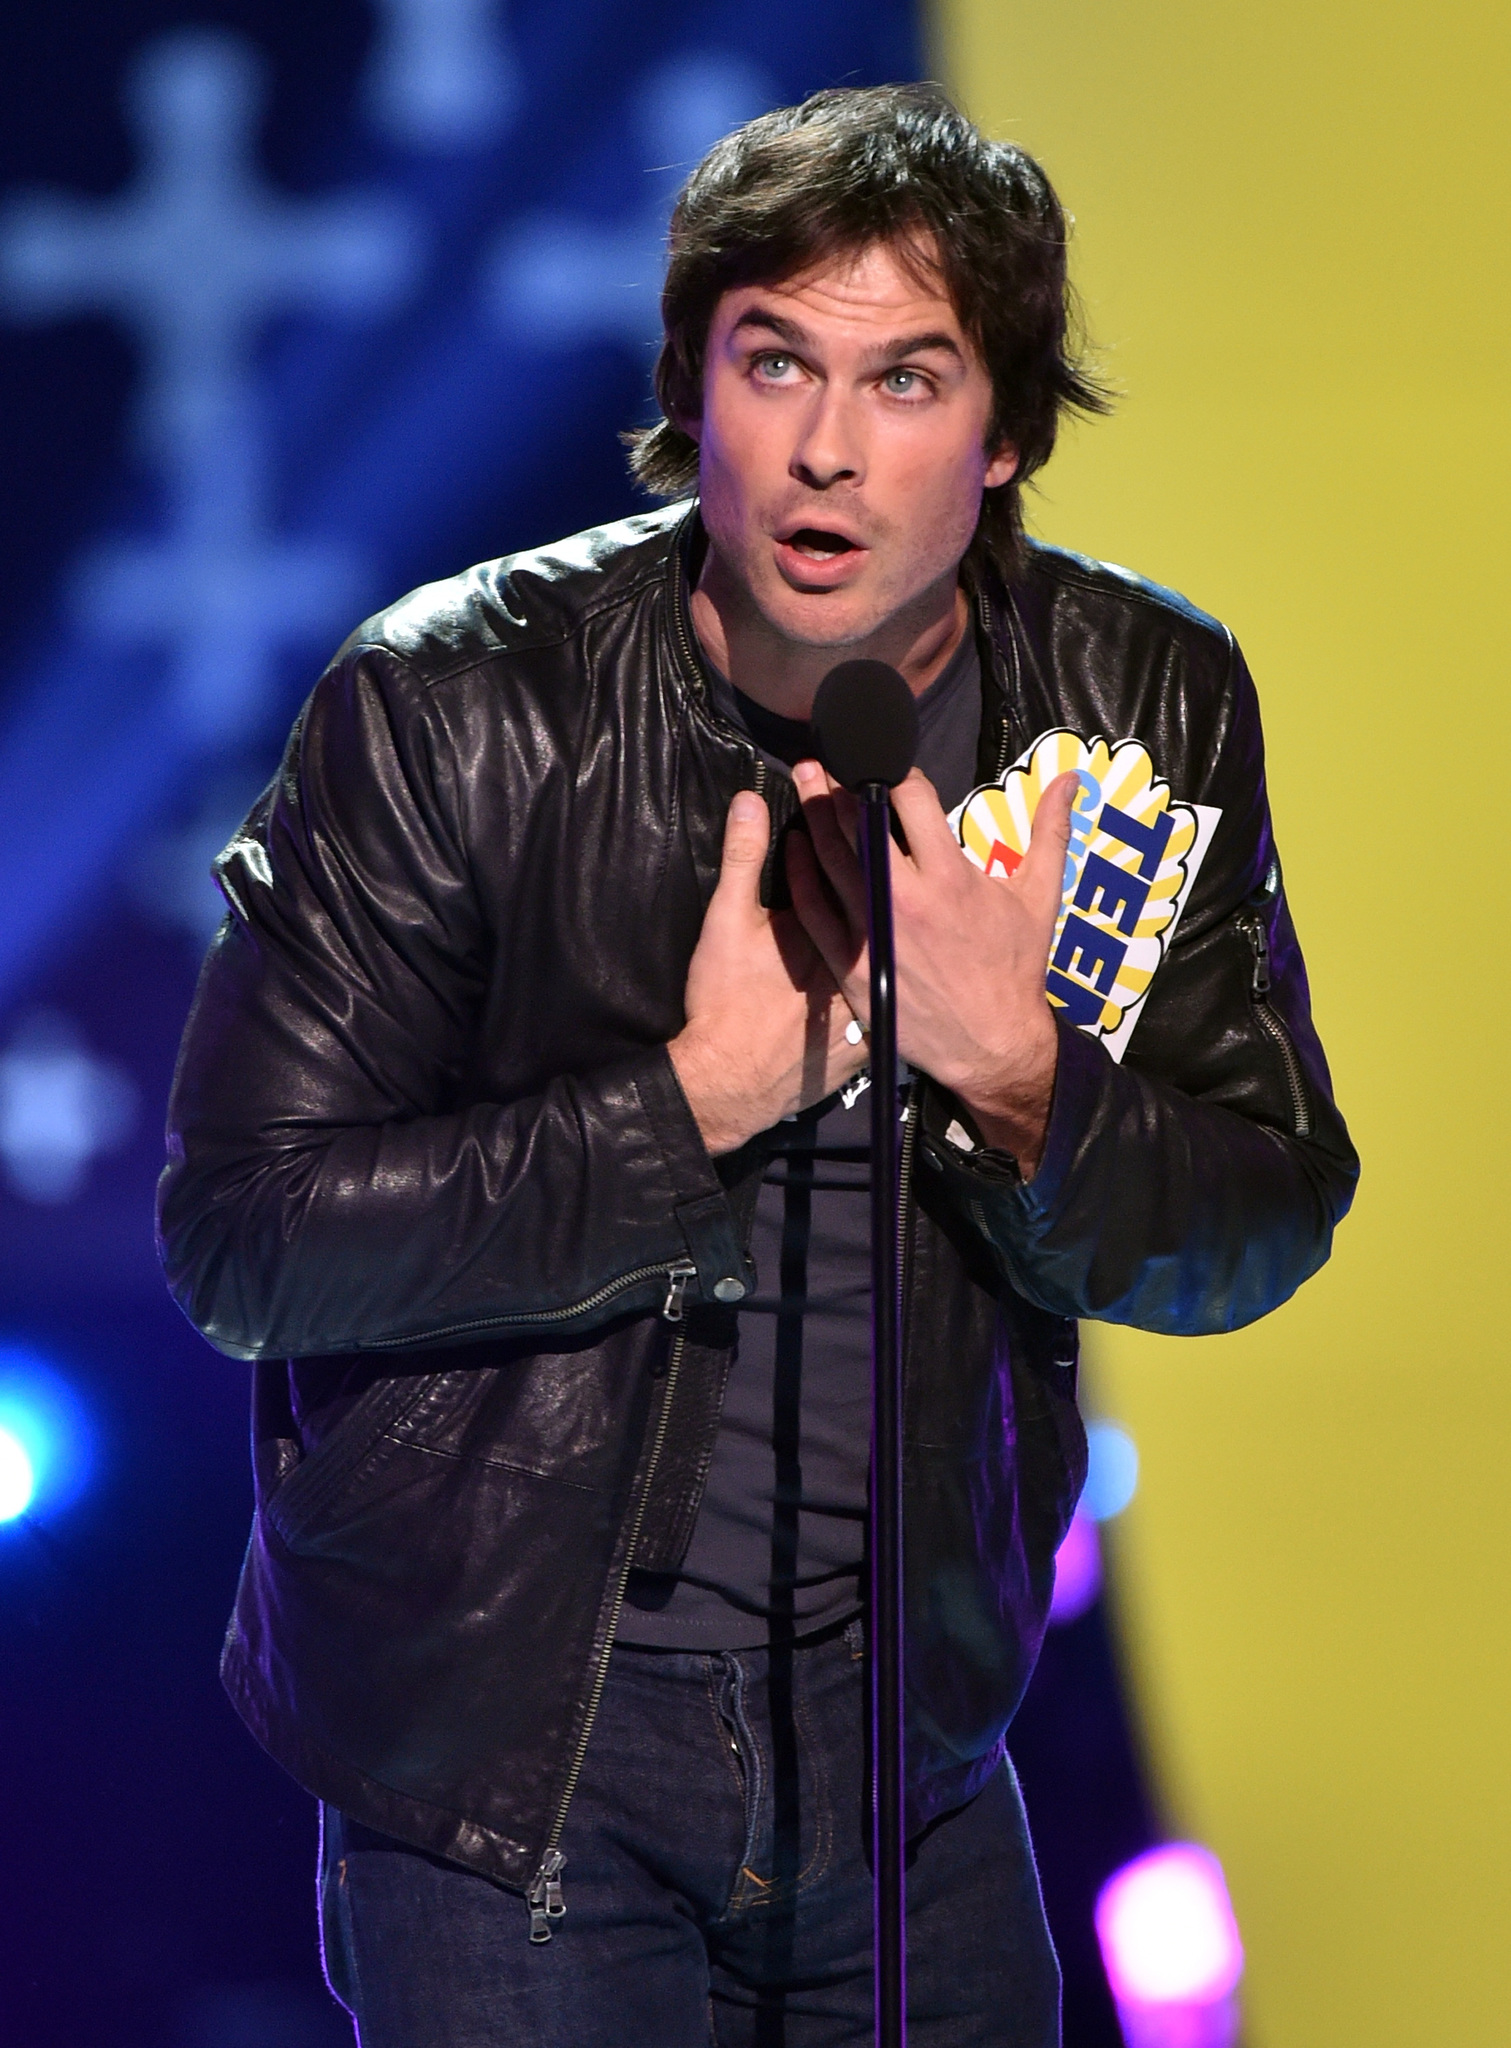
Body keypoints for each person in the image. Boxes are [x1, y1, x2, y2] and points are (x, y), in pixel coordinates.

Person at [158, 83, 1357, 2047]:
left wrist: (1026, 1080)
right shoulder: (448, 703)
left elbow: (1257, 1218)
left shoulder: (1143, 700)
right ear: (689, 387)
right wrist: (689, 1105)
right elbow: (244, 1240)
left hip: (915, 1755)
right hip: (507, 1758)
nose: (822, 447)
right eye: (772, 360)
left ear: (1005, 437)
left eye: (905, 378)